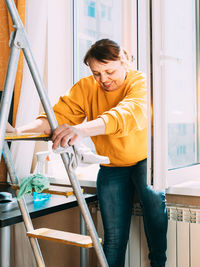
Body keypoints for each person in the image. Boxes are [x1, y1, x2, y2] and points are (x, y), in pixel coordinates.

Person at [7, 39, 168, 267]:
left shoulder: (139, 82)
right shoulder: (86, 87)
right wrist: (18, 130)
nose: (104, 80)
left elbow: (127, 114)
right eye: (96, 74)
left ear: (125, 63)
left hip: (145, 160)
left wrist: (80, 129)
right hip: (112, 165)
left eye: (109, 71)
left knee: (154, 209)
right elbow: (56, 118)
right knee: (112, 239)